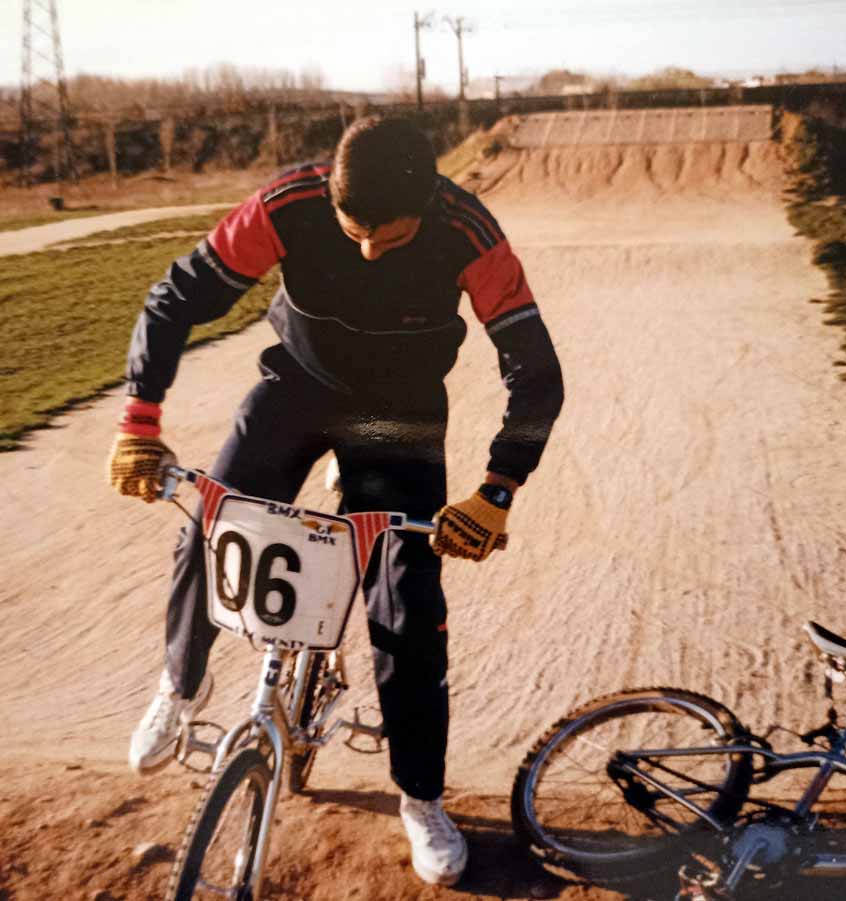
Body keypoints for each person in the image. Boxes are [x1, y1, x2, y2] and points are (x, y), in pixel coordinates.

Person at [108, 115, 563, 887]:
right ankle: (180, 685)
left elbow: (537, 372)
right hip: (296, 389)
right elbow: (173, 299)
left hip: (399, 414)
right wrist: (138, 424)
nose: (367, 251)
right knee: (208, 524)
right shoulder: (287, 202)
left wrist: (496, 490)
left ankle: (421, 795)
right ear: (331, 194)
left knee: (408, 605)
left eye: (389, 240)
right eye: (353, 232)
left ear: (430, 198)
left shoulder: (468, 229)